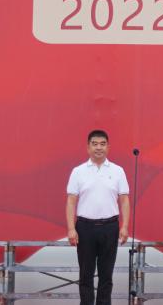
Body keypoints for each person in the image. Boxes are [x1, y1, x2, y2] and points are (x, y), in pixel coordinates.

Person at [66, 130, 130, 305]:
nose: (98, 148)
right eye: (94, 144)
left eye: (102, 144)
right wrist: (71, 228)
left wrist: (124, 226)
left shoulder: (118, 171)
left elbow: (124, 200)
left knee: (106, 275)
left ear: (108, 147)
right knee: (85, 275)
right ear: (88, 147)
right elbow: (71, 201)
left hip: (110, 227)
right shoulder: (78, 171)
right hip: (85, 228)